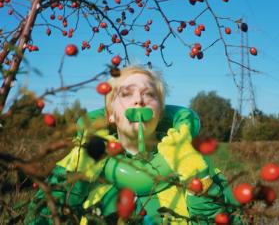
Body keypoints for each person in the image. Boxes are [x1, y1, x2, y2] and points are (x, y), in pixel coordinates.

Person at [26, 65, 243, 224]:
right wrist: (74, 176)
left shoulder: (195, 161)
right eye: (126, 94)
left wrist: (198, 180)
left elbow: (229, 220)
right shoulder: (83, 157)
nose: (139, 100)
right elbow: (41, 219)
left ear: (161, 114)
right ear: (110, 114)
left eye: (149, 94)